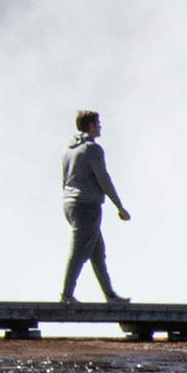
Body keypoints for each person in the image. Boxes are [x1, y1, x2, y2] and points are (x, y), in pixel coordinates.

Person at [59, 108, 130, 305]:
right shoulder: (92, 149)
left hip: (70, 204)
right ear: (90, 126)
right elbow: (104, 179)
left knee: (97, 252)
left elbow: (64, 180)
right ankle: (66, 296)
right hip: (87, 206)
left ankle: (110, 295)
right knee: (79, 251)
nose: (100, 127)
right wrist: (119, 206)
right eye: (98, 124)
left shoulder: (68, 149)